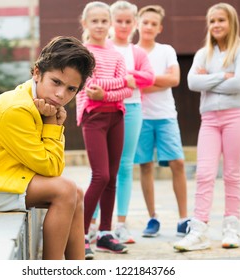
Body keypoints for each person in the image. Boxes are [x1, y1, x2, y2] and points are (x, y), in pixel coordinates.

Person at [0, 36, 96, 260]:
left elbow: (51, 166)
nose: (61, 95)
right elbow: (51, 168)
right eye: (56, 82)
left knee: (76, 194)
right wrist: (52, 124)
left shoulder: (36, 102)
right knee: (65, 190)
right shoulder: (16, 109)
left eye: (71, 89)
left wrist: (50, 121)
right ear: (37, 73)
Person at [174, 3, 240, 251]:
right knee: (205, 173)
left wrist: (207, 80)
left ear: (232, 23)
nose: (216, 25)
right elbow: (192, 82)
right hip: (209, 120)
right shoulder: (202, 54)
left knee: (232, 175)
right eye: (212, 21)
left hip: (237, 117)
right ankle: (198, 230)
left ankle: (231, 228)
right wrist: (222, 76)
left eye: (221, 20)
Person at [88, 0, 155, 245]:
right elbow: (92, 83)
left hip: (132, 109)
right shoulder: (99, 48)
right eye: (119, 21)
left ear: (134, 23)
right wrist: (125, 82)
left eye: (129, 21)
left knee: (124, 167)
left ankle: (121, 224)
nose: (124, 26)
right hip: (102, 110)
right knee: (100, 171)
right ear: (110, 22)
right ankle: (93, 223)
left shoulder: (136, 52)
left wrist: (129, 77)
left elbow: (148, 77)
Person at [77, 1, 136, 259]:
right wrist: (120, 82)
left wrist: (110, 91)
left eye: (104, 21)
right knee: (100, 175)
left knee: (112, 176)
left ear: (109, 24)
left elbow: (128, 90)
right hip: (94, 118)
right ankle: (78, 235)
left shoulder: (117, 55)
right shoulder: (83, 54)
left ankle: (104, 234)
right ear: (85, 24)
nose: (100, 25)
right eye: (95, 21)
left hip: (117, 118)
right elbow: (91, 86)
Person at [134, 5, 190, 238]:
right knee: (146, 166)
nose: (148, 27)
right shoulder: (132, 52)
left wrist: (145, 78)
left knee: (178, 163)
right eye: (145, 22)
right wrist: (158, 80)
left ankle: (184, 219)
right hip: (140, 117)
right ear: (138, 23)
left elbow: (175, 79)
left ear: (160, 28)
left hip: (166, 116)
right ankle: (152, 218)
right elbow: (137, 85)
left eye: (153, 24)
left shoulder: (167, 50)